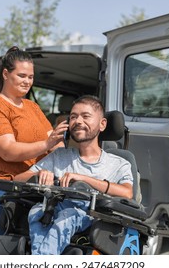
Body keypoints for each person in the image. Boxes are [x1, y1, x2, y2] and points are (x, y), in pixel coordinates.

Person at [0, 46, 66, 254]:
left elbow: (55, 142)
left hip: (29, 189)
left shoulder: (32, 107)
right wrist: (47, 144)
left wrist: (58, 153)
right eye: (21, 75)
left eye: (31, 77)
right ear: (6, 74)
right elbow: (8, 150)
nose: (27, 81)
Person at [14, 95, 134, 255]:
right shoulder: (59, 156)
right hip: (53, 211)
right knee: (37, 210)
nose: (78, 121)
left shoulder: (120, 163)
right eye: (73, 117)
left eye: (85, 116)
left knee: (69, 215)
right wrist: (39, 174)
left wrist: (84, 179)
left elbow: (127, 192)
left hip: (96, 219)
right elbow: (17, 179)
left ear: (102, 124)